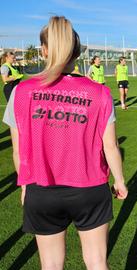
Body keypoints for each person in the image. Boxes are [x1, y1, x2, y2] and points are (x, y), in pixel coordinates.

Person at [2, 16, 128, 270]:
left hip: (42, 190)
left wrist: (25, 185)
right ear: (78, 52)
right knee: (96, 262)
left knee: (51, 265)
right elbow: (110, 146)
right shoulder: (99, 92)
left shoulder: (22, 91)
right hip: (90, 189)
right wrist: (120, 180)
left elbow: (18, 150)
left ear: (45, 50)